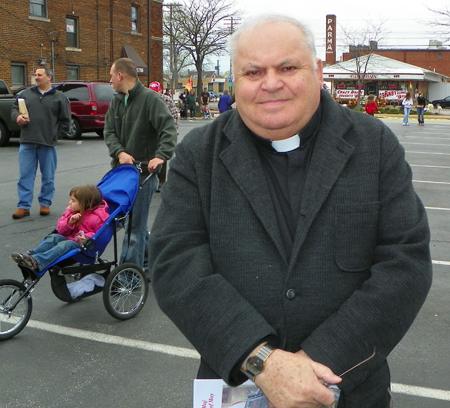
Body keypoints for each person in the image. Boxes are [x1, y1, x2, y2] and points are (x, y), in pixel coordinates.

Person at [148, 14, 432, 408]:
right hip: (236, 385)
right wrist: (262, 362)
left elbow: (406, 263)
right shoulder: (199, 154)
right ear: (236, 79)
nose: (270, 83)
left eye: (287, 67)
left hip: (349, 388)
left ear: (316, 71)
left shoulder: (374, 145)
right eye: (253, 71)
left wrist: (315, 365)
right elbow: (175, 264)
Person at [104, 58, 177, 275]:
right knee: (126, 223)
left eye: (110, 75)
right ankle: (155, 258)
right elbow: (109, 133)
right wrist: (120, 152)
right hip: (121, 173)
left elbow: (168, 129)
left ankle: (128, 277)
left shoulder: (150, 100)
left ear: (120, 76)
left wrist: (161, 156)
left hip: (144, 174)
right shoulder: (117, 101)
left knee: (134, 229)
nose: (109, 80)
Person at [10, 67, 71, 219]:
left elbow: (65, 121)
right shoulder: (26, 94)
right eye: (35, 75)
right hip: (27, 142)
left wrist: (54, 136)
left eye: (39, 75)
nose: (36, 77)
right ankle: (23, 206)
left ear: (49, 77)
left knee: (48, 176)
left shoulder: (59, 97)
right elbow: (14, 109)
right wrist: (17, 117)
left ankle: (45, 203)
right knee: (25, 176)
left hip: (47, 144)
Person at [11, 185, 108, 272]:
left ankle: (37, 261)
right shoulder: (71, 212)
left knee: (65, 244)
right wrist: (69, 223)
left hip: (85, 248)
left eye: (73, 201)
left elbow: (100, 235)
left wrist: (86, 238)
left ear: (85, 203)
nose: (69, 203)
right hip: (71, 239)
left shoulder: (97, 218)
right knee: (54, 237)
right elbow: (61, 231)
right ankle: (31, 255)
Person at [149, 81, 179, 190]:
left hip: (163, 132)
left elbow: (174, 116)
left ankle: (161, 182)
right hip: (151, 132)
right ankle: (152, 179)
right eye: (152, 92)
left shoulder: (167, 100)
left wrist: (173, 132)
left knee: (161, 156)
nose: (154, 94)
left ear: (160, 91)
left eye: (156, 92)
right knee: (150, 155)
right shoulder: (146, 100)